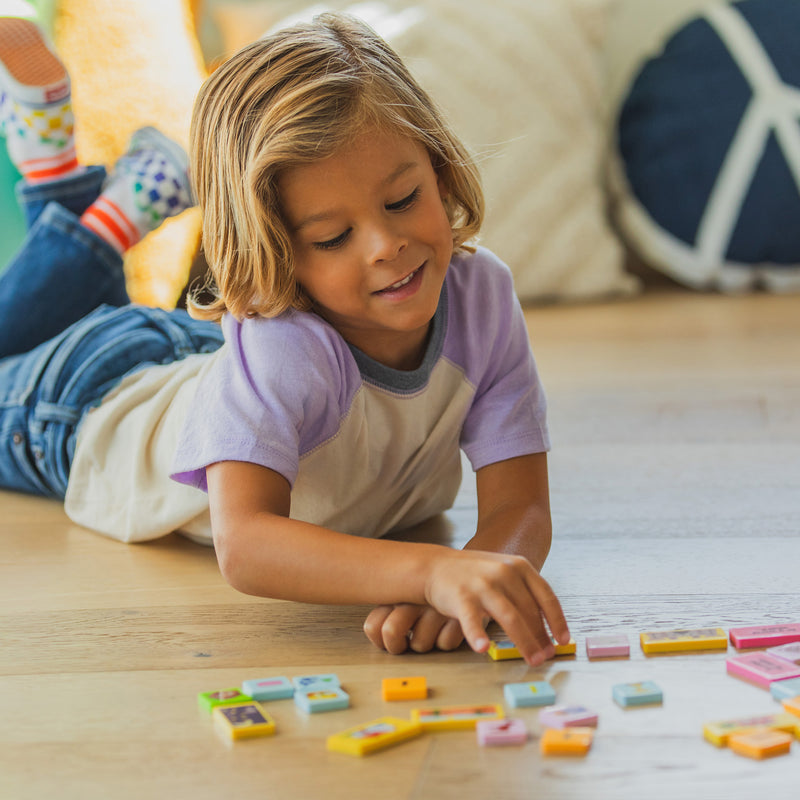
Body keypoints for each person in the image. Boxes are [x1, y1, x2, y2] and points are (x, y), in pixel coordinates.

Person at [0, 13, 569, 665]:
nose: (389, 246)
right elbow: (245, 545)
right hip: (83, 405)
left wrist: (472, 577)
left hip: (197, 363)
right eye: (332, 238)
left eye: (404, 198)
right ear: (273, 250)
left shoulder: (484, 297)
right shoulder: (286, 349)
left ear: (438, 168)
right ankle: (98, 212)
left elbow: (521, 503)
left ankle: (79, 189)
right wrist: (428, 572)